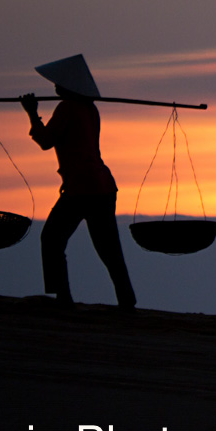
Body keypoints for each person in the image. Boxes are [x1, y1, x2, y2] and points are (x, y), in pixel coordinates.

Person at [21, 54, 136, 311]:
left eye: (59, 82)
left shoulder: (67, 108)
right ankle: (126, 300)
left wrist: (32, 114)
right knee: (109, 248)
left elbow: (46, 141)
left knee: (52, 238)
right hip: (101, 186)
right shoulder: (89, 109)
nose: (55, 87)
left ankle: (62, 297)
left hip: (82, 188)